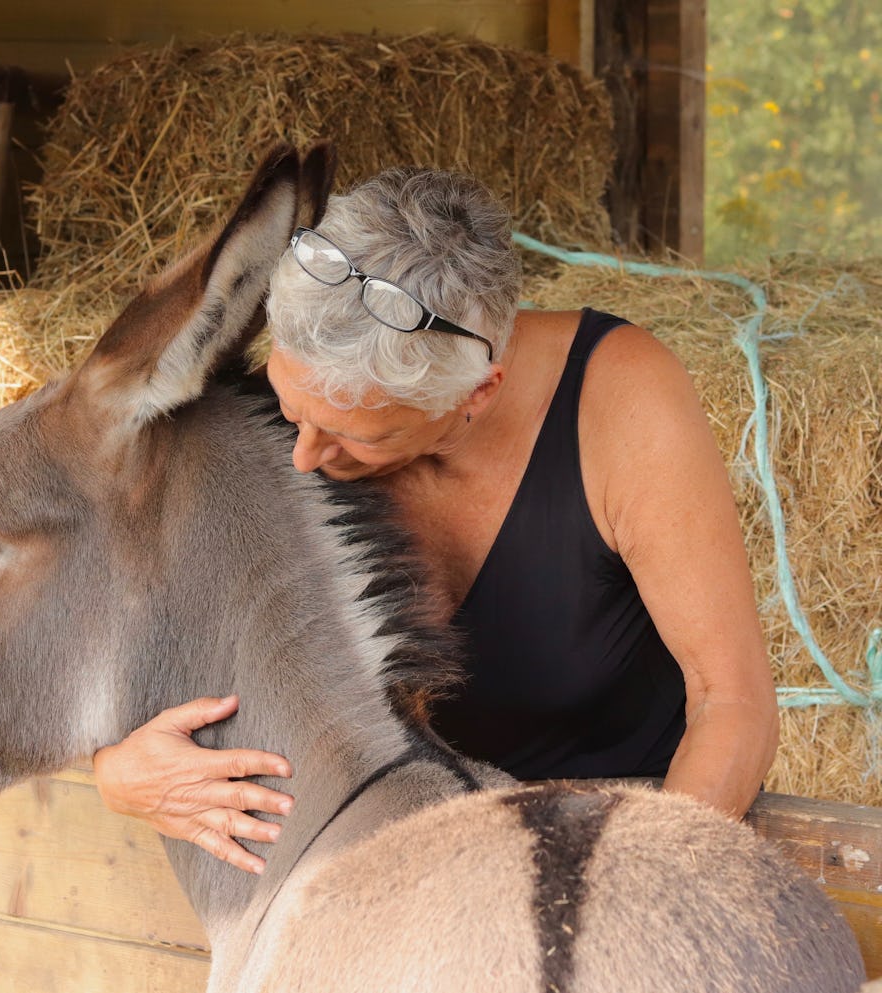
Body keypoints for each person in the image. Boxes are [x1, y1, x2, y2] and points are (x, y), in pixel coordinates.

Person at [91, 167, 780, 875]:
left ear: (476, 395)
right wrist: (116, 770)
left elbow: (733, 701)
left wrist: (642, 888)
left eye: (357, 436)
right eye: (292, 410)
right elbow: (93, 639)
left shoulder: (621, 401)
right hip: (380, 866)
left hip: (610, 846)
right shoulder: (267, 417)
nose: (301, 457)